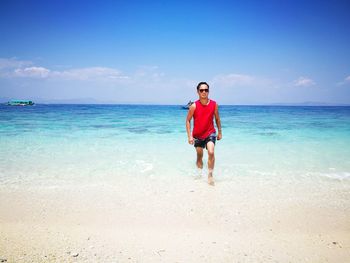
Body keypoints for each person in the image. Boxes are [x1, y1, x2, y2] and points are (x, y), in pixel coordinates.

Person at [186, 82, 222, 186]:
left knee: (211, 152)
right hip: (197, 135)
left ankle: (210, 175)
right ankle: (199, 174)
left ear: (208, 91)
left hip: (210, 133)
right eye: (201, 90)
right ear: (198, 92)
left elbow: (217, 119)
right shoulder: (193, 106)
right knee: (199, 156)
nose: (204, 92)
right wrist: (189, 136)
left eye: (206, 90)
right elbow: (188, 120)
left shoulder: (214, 104)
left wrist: (220, 132)